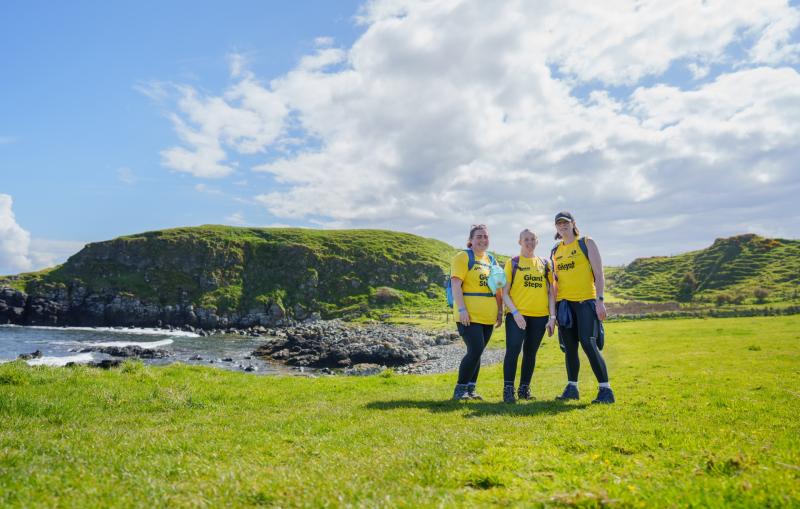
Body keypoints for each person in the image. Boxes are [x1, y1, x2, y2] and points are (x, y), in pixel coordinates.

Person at [551, 211, 615, 404]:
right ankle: (572, 388)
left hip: (585, 302)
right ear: (556, 227)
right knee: (569, 348)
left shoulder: (586, 243)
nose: (562, 226)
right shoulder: (555, 250)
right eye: (559, 224)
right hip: (564, 305)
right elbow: (554, 282)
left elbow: (599, 273)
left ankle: (606, 390)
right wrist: (553, 311)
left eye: (565, 223)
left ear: (573, 224)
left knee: (588, 343)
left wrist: (600, 300)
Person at [500, 229, 556, 403]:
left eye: (533, 239)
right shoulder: (513, 263)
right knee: (513, 351)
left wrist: (552, 318)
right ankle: (508, 390)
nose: (529, 242)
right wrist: (515, 313)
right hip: (517, 316)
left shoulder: (545, 263)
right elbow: (505, 292)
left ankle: (524, 389)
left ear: (537, 241)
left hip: (539, 317)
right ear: (519, 242)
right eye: (526, 239)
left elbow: (550, 293)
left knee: (530, 353)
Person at [449, 224, 503, 400]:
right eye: (478, 236)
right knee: (476, 349)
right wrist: (462, 309)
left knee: (478, 352)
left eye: (485, 236)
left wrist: (500, 310)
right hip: (468, 315)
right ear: (471, 241)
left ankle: (470, 389)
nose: (482, 240)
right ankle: (460, 389)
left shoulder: (491, 260)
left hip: (488, 316)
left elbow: (497, 287)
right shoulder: (463, 257)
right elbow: (456, 284)